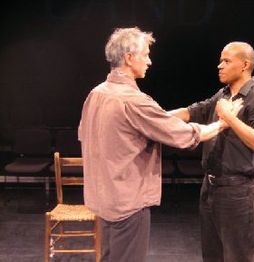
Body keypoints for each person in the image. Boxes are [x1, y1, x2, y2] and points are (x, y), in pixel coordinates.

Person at [78, 27, 229, 262]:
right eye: (146, 54)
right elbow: (182, 135)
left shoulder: (96, 94)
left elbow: (136, 124)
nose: (149, 61)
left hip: (102, 199)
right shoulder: (134, 101)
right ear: (129, 57)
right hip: (127, 204)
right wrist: (223, 123)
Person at [169, 41, 254, 262]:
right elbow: (193, 111)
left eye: (226, 61)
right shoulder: (223, 94)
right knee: (212, 255)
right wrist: (152, 117)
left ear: (245, 65)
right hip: (210, 187)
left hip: (238, 192)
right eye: (220, 60)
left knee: (236, 256)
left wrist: (229, 118)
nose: (219, 65)